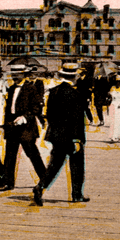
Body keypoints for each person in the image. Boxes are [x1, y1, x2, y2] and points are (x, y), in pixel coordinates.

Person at [33, 63, 90, 204]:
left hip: (57, 135)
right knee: (77, 166)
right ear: (74, 76)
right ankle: (77, 195)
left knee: (55, 165)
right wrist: (77, 139)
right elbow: (76, 119)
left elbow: (49, 115)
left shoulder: (54, 92)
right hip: (71, 136)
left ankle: (40, 186)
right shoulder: (75, 94)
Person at [0, 64, 48, 191]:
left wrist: (25, 117)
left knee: (33, 154)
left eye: (17, 74)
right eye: (13, 74)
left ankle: (45, 179)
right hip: (12, 127)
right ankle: (8, 182)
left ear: (24, 74)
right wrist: (6, 124)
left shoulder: (31, 88)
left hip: (26, 127)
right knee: (9, 155)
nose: (14, 76)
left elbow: (36, 108)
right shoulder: (12, 88)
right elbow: (8, 108)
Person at [107, 75, 120, 143]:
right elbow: (110, 97)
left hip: (119, 105)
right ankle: (112, 136)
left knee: (119, 121)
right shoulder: (112, 88)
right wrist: (109, 95)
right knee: (113, 121)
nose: (118, 83)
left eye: (119, 81)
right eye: (116, 81)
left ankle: (117, 135)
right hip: (113, 104)